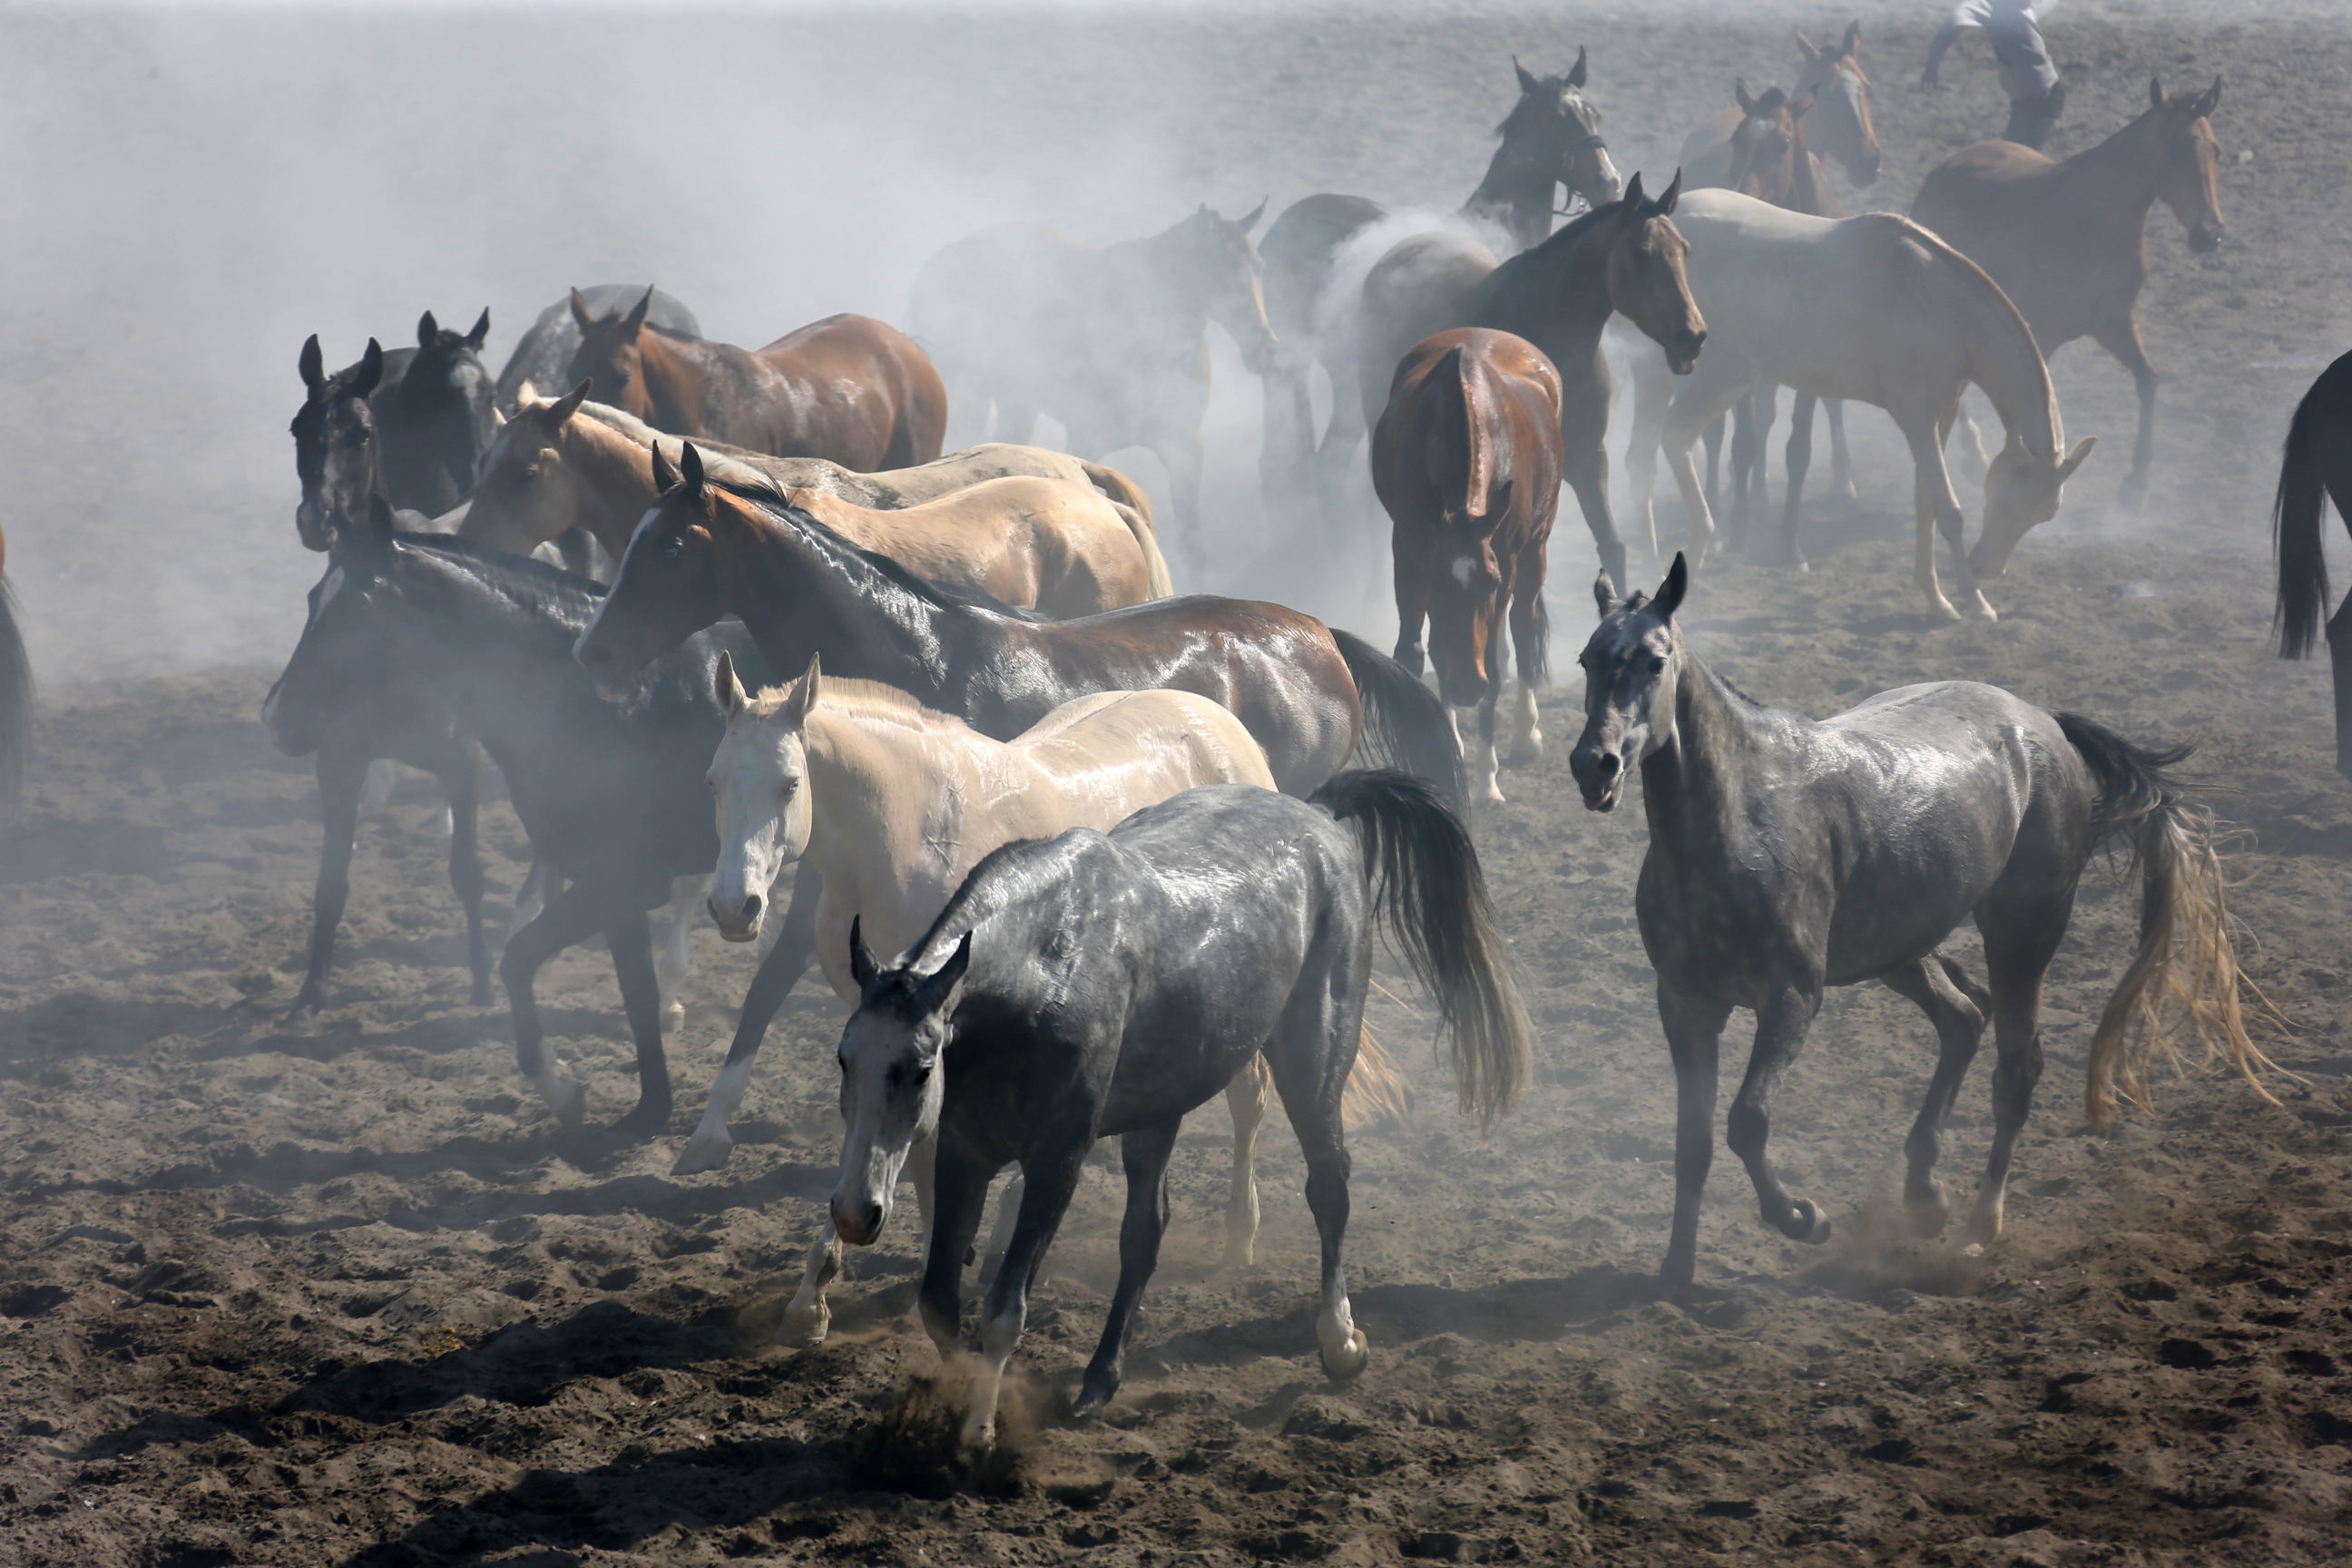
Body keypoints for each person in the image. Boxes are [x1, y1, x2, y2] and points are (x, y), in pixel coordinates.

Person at [1921, 0, 2066, 150]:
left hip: (2044, 94)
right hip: (2027, 99)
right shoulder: (1988, 5)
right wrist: (1932, 66)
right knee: (2013, 155)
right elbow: (1951, 25)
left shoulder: (2028, 5)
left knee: (2021, 157)